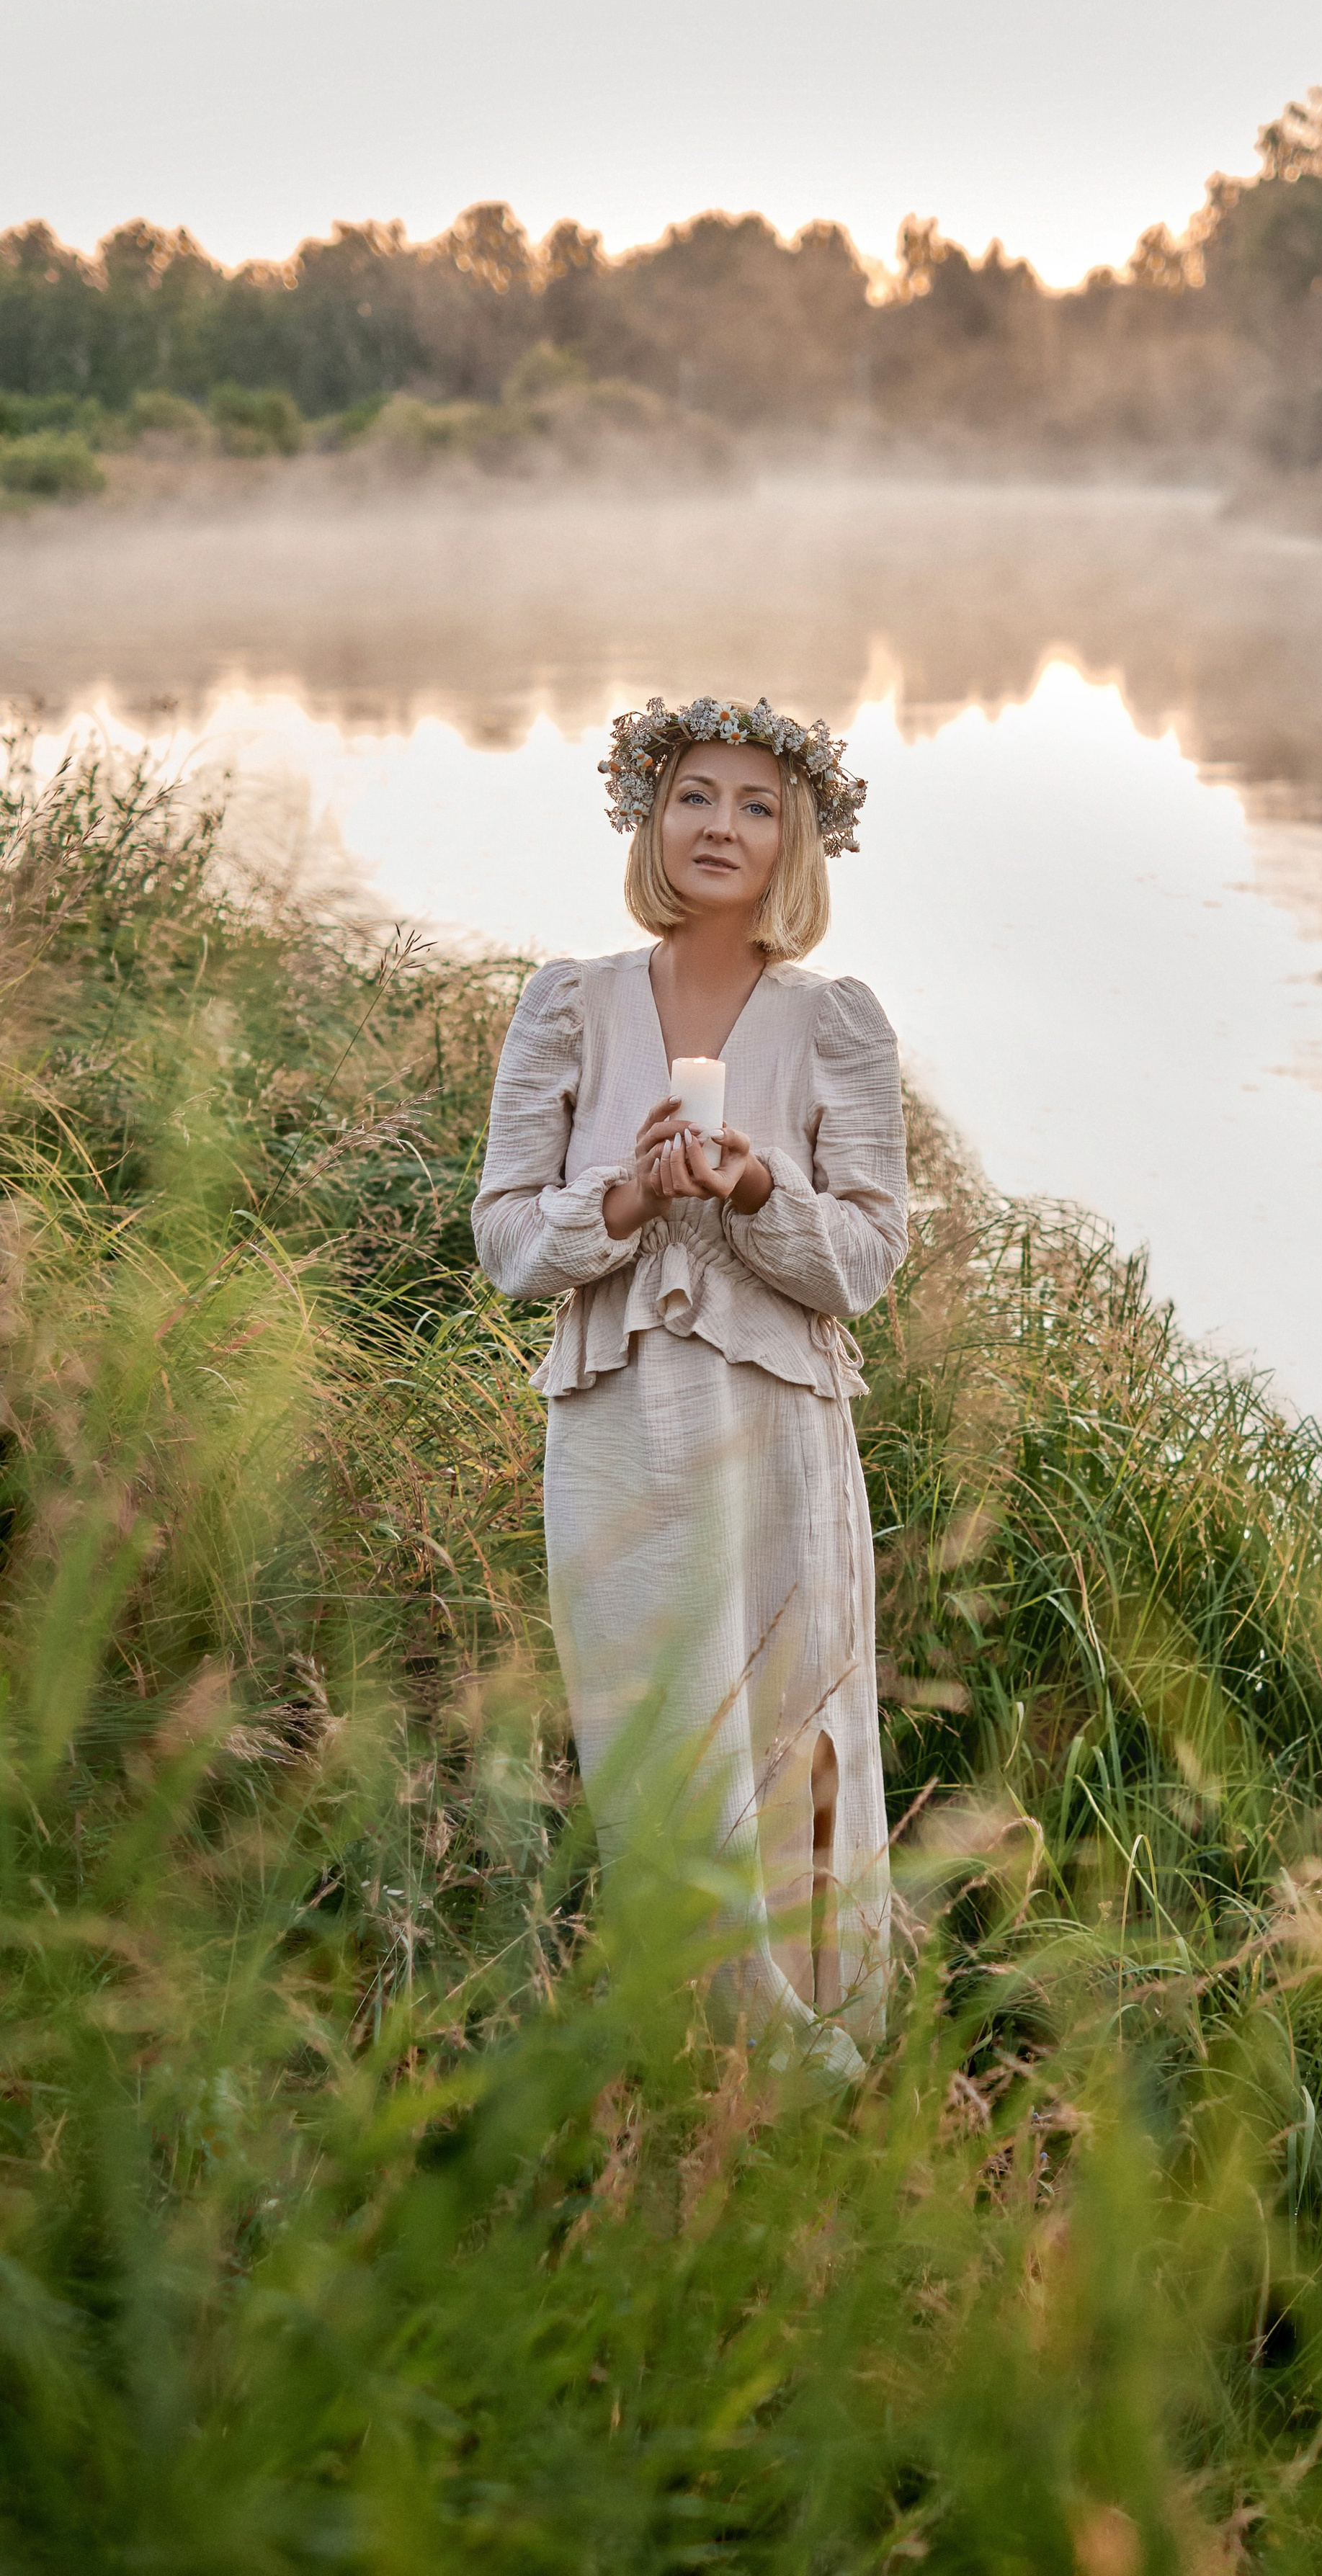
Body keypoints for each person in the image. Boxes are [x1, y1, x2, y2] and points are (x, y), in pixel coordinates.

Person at [471, 697, 906, 2081]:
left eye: (759, 805)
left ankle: (820, 2039)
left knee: (788, 1721)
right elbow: (504, 1243)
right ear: (653, 822)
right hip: (617, 1423)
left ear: (798, 845)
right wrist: (626, 1195)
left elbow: (869, 1260)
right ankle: (708, 2045)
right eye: (696, 798)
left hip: (774, 1424)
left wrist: (758, 1189)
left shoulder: (834, 1023)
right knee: (659, 1732)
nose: (724, 826)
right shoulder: (570, 1003)